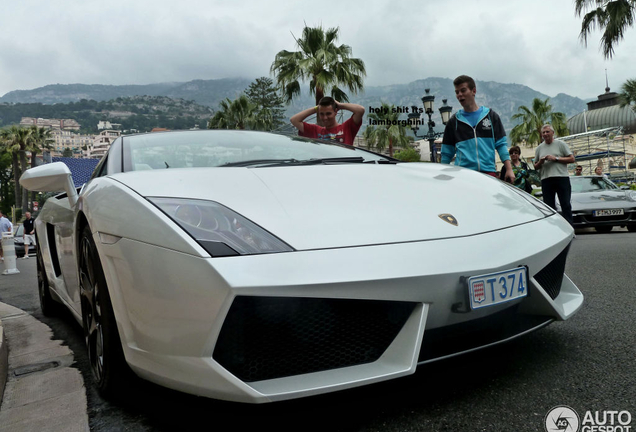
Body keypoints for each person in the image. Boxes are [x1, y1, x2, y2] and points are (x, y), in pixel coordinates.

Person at [441, 75, 514, 183]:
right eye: (457, 92)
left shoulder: (491, 116)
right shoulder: (454, 121)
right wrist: (443, 174)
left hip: (488, 174)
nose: (459, 95)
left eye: (463, 90)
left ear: (473, 91)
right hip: (463, 175)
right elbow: (446, 153)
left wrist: (509, 169)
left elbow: (501, 144)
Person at [534, 124, 575, 225]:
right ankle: (554, 228)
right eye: (543, 132)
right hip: (546, 179)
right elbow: (535, 166)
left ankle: (570, 227)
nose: (545, 134)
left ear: (552, 133)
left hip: (561, 177)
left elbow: (572, 159)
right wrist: (541, 161)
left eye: (547, 132)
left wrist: (556, 158)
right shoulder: (539, 148)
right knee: (549, 206)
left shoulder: (560, 144)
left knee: (565, 204)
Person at [290, 96, 365, 145]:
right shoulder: (315, 131)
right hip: (324, 168)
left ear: (336, 112)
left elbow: (360, 110)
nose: (325, 118)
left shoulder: (347, 128)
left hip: (344, 167)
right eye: (321, 114)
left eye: (328, 114)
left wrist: (340, 105)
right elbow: (294, 120)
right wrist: (316, 108)